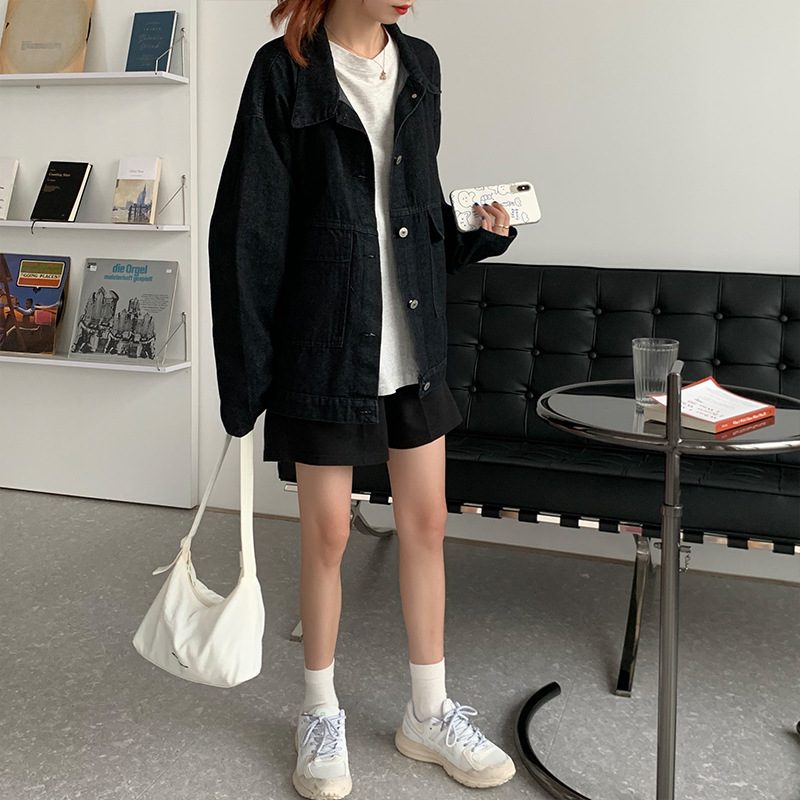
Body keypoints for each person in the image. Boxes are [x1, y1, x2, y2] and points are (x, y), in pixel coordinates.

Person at [208, 1, 519, 798]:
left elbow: (411, 210)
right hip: (325, 346)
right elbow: (248, 231)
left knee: (425, 524)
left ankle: (428, 712)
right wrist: (245, 377)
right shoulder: (283, 71)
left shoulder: (422, 64)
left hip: (413, 343)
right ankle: (319, 711)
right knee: (328, 535)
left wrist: (477, 235)